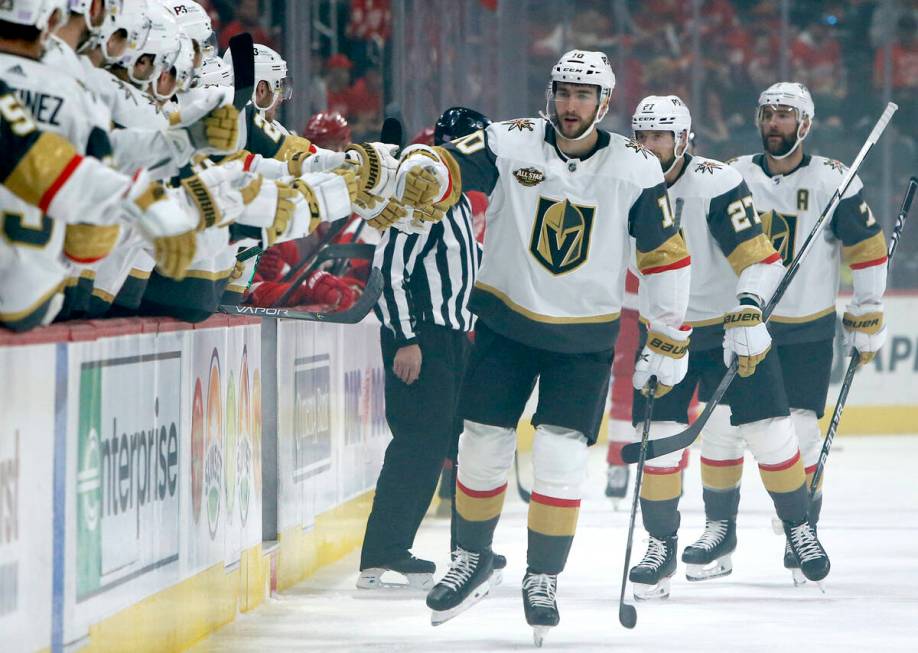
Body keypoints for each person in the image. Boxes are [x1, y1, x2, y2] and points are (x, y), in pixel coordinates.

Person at [412, 50, 692, 641]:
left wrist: (667, 336)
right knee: (482, 444)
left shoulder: (637, 167)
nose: (571, 106)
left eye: (583, 96)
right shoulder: (508, 142)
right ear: (551, 95)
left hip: (583, 341)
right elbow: (446, 167)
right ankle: (472, 558)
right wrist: (413, 172)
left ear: (604, 103)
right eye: (564, 93)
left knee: (562, 461)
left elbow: (666, 255)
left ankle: (543, 577)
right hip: (504, 328)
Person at [625, 95, 830, 600]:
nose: (650, 148)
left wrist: (747, 305)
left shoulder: (715, 182)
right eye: (643, 137)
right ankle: (660, 544)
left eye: (661, 137)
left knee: (772, 433)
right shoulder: (622, 180)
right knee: (659, 443)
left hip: (725, 328)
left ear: (684, 138)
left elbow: (761, 256)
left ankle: (798, 527)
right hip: (664, 335)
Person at [724, 82, 887, 585]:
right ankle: (718, 530)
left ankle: (803, 527)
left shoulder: (835, 181)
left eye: (785, 115)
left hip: (807, 329)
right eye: (768, 114)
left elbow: (868, 251)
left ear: (806, 124)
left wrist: (867, 312)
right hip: (746, 324)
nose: (775, 123)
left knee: (802, 430)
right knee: (727, 432)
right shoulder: (733, 175)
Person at [357, 107, 494, 591]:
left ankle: (468, 551)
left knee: (457, 444)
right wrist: (406, 338)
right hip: (422, 338)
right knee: (419, 444)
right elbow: (390, 271)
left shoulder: (456, 202)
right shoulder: (425, 193)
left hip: (453, 338)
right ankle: (383, 553)